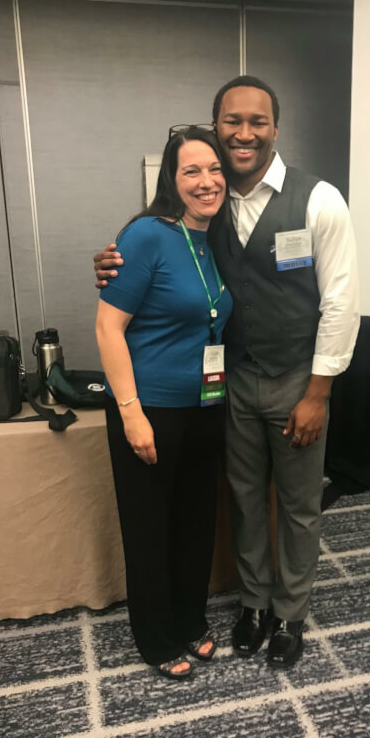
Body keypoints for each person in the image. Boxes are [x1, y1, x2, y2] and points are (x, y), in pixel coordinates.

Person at [95, 76, 360, 668]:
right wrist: (112, 261)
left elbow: (342, 303)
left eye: (257, 122)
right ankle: (253, 606)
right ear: (217, 128)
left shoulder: (318, 200)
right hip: (229, 383)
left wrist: (319, 392)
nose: (244, 134)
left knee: (295, 505)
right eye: (232, 122)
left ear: (275, 129)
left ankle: (289, 614)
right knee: (242, 500)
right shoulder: (203, 211)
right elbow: (151, 258)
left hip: (297, 378)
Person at [95, 126, 233, 680]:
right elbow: (108, 327)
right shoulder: (148, 234)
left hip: (206, 403)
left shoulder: (215, 239)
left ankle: (190, 618)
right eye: (192, 171)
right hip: (148, 406)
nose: (207, 181)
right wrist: (130, 412)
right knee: (150, 525)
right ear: (170, 181)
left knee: (196, 520)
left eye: (215, 169)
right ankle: (155, 638)